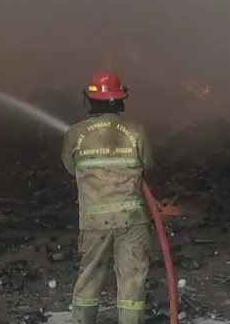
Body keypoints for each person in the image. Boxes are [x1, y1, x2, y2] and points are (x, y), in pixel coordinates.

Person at [62, 71, 154, 324]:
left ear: (91, 99)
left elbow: (71, 168)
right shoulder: (136, 131)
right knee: (132, 281)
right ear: (120, 98)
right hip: (132, 219)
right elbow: (147, 164)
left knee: (89, 277)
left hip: (94, 221)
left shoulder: (75, 133)